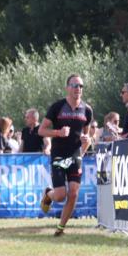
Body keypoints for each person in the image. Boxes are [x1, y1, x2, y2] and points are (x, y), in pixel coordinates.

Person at [39, 75, 94, 237]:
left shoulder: (87, 110)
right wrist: (58, 132)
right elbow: (41, 130)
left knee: (74, 193)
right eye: (75, 85)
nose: (78, 89)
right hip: (59, 155)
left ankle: (60, 228)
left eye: (81, 86)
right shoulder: (57, 107)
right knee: (61, 194)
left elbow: (88, 134)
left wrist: (87, 139)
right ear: (67, 88)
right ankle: (48, 194)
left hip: (75, 156)